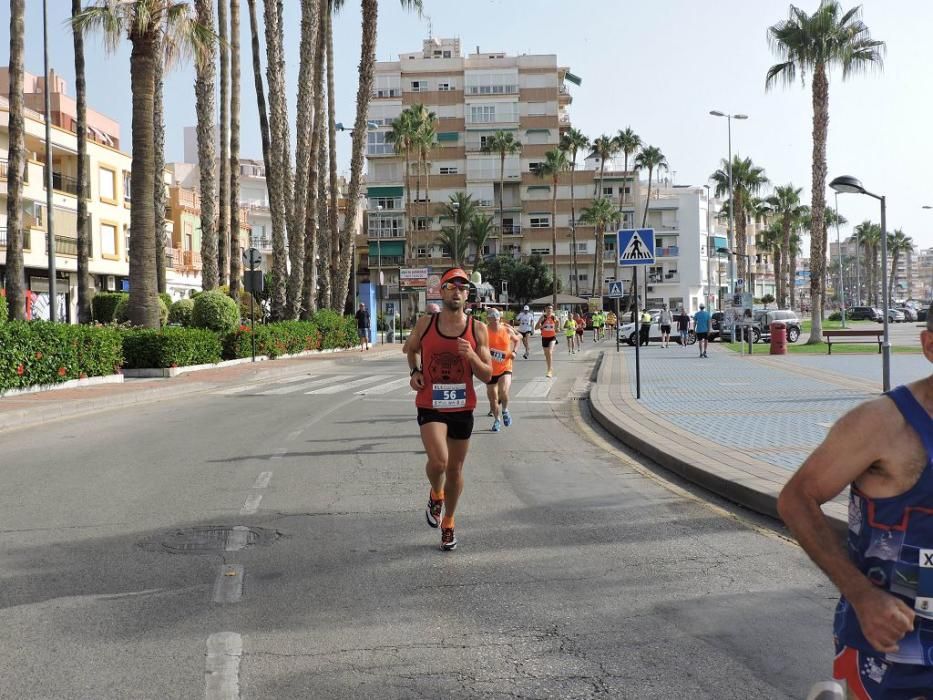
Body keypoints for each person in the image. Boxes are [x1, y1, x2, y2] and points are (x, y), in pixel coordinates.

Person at [777, 306, 933, 698]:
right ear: (930, 346)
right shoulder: (883, 423)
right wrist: (861, 594)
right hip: (893, 653)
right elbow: (798, 498)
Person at [406, 268, 492, 551]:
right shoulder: (426, 323)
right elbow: (411, 348)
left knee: (455, 469)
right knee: (439, 462)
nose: (458, 291)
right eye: (451, 286)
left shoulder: (477, 329)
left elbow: (488, 374)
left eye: (463, 287)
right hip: (431, 403)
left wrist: (471, 357)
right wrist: (416, 370)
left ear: (468, 295)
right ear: (441, 291)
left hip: (462, 405)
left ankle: (449, 521)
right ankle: (436, 493)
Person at [485, 308, 520, 432]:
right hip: (489, 369)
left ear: (499, 317)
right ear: (487, 318)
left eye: (496, 315)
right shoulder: (484, 331)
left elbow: (517, 340)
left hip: (506, 366)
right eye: (491, 315)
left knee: (504, 390)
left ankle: (505, 410)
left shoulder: (506, 329)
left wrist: (514, 352)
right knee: (493, 399)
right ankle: (497, 420)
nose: (494, 317)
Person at [535, 304, 559, 378]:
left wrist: (557, 328)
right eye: (548, 308)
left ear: (552, 310)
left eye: (551, 308)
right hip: (544, 337)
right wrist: (542, 326)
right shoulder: (543, 317)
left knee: (550, 352)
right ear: (545, 309)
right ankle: (550, 367)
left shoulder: (554, 317)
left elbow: (558, 322)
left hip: (552, 337)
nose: (549, 310)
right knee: (546, 355)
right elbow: (536, 327)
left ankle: (549, 371)